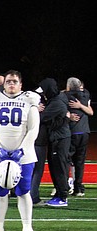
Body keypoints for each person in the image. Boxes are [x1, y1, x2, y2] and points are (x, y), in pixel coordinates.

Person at [0, 70, 39, 231]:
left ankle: (27, 226)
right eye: (8, 81)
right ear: (3, 84)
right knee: (0, 191)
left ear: (21, 84)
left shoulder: (29, 100)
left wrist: (22, 149)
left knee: (23, 191)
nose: (11, 84)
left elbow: (33, 129)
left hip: (24, 156)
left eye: (14, 81)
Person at [37, 78, 71, 207]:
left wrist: (36, 109)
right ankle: (59, 194)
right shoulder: (57, 98)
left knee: (59, 168)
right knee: (55, 167)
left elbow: (42, 118)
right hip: (57, 138)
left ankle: (62, 197)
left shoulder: (57, 103)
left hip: (60, 139)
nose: (43, 95)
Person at [65, 77, 92, 197]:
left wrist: (79, 106)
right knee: (79, 162)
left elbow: (91, 112)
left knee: (65, 161)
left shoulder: (64, 96)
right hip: (83, 133)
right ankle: (78, 188)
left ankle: (64, 187)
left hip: (71, 133)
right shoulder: (86, 94)